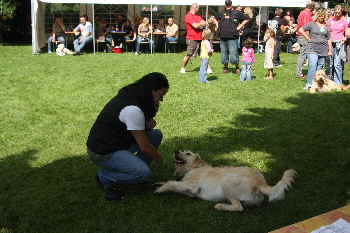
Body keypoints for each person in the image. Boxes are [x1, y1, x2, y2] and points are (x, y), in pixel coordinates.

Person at [87, 72, 169, 201]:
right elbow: (145, 147)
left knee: (155, 135)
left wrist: (152, 113)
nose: (161, 100)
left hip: (118, 142)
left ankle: (133, 171)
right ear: (152, 91)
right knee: (144, 173)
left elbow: (149, 125)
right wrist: (160, 159)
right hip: (103, 151)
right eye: (161, 95)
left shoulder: (135, 94)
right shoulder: (133, 110)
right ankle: (105, 176)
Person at [299, 9, 332, 90]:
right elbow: (301, 29)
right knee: (312, 65)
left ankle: (316, 84)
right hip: (312, 48)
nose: (322, 17)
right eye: (320, 16)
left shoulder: (326, 26)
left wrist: (330, 50)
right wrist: (307, 38)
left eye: (323, 16)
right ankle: (309, 84)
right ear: (317, 16)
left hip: (323, 49)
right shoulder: (312, 24)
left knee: (319, 68)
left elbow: (329, 39)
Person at [217, 0, 249, 74]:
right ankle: (225, 67)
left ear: (231, 4)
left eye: (228, 3)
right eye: (226, 3)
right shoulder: (221, 12)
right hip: (222, 36)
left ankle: (237, 67)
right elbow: (215, 19)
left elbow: (247, 18)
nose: (227, 5)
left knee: (233, 54)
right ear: (225, 4)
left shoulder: (236, 12)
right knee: (224, 54)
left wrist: (240, 26)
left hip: (233, 37)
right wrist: (217, 25)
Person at [180, 3, 206, 74]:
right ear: (195, 8)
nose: (199, 9)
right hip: (192, 38)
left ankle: (206, 68)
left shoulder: (198, 16)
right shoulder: (188, 16)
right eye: (198, 8)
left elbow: (204, 23)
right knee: (189, 54)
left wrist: (200, 24)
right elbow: (195, 26)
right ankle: (182, 68)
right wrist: (200, 24)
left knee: (203, 53)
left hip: (200, 38)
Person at [327, 5, 348, 85]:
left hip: (339, 43)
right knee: (330, 63)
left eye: (339, 13)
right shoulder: (330, 20)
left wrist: (345, 38)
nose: (337, 14)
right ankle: (329, 81)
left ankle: (338, 82)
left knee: (337, 64)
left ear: (341, 12)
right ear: (334, 12)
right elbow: (327, 31)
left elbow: (347, 32)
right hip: (330, 42)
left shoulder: (344, 21)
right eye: (336, 12)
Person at [295, 2, 315, 79]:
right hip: (304, 36)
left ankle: (299, 72)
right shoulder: (306, 14)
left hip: (301, 35)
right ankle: (299, 73)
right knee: (303, 55)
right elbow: (306, 27)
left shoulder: (302, 12)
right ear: (312, 7)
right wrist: (308, 38)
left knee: (302, 55)